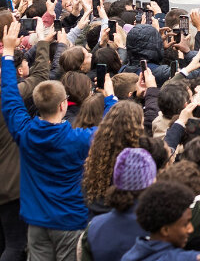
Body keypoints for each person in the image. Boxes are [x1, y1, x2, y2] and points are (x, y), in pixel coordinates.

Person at [1, 20, 116, 261]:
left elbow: (10, 97)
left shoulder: (24, 132)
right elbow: (111, 129)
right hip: (70, 221)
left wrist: (8, 54)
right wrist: (109, 100)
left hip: (36, 220)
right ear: (63, 105)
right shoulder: (78, 138)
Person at [122, 180, 200, 261]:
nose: (191, 229)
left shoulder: (130, 255)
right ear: (165, 230)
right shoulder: (180, 258)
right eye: (185, 224)